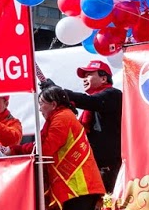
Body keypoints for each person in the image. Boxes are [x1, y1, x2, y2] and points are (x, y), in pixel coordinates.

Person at [39, 59, 123, 188]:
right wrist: (59, 96)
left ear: (104, 78)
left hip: (111, 168)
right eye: (83, 76)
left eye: (89, 74)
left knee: (110, 206)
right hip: (93, 168)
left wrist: (58, 92)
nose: (84, 79)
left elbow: (90, 101)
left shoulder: (113, 95)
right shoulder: (90, 107)